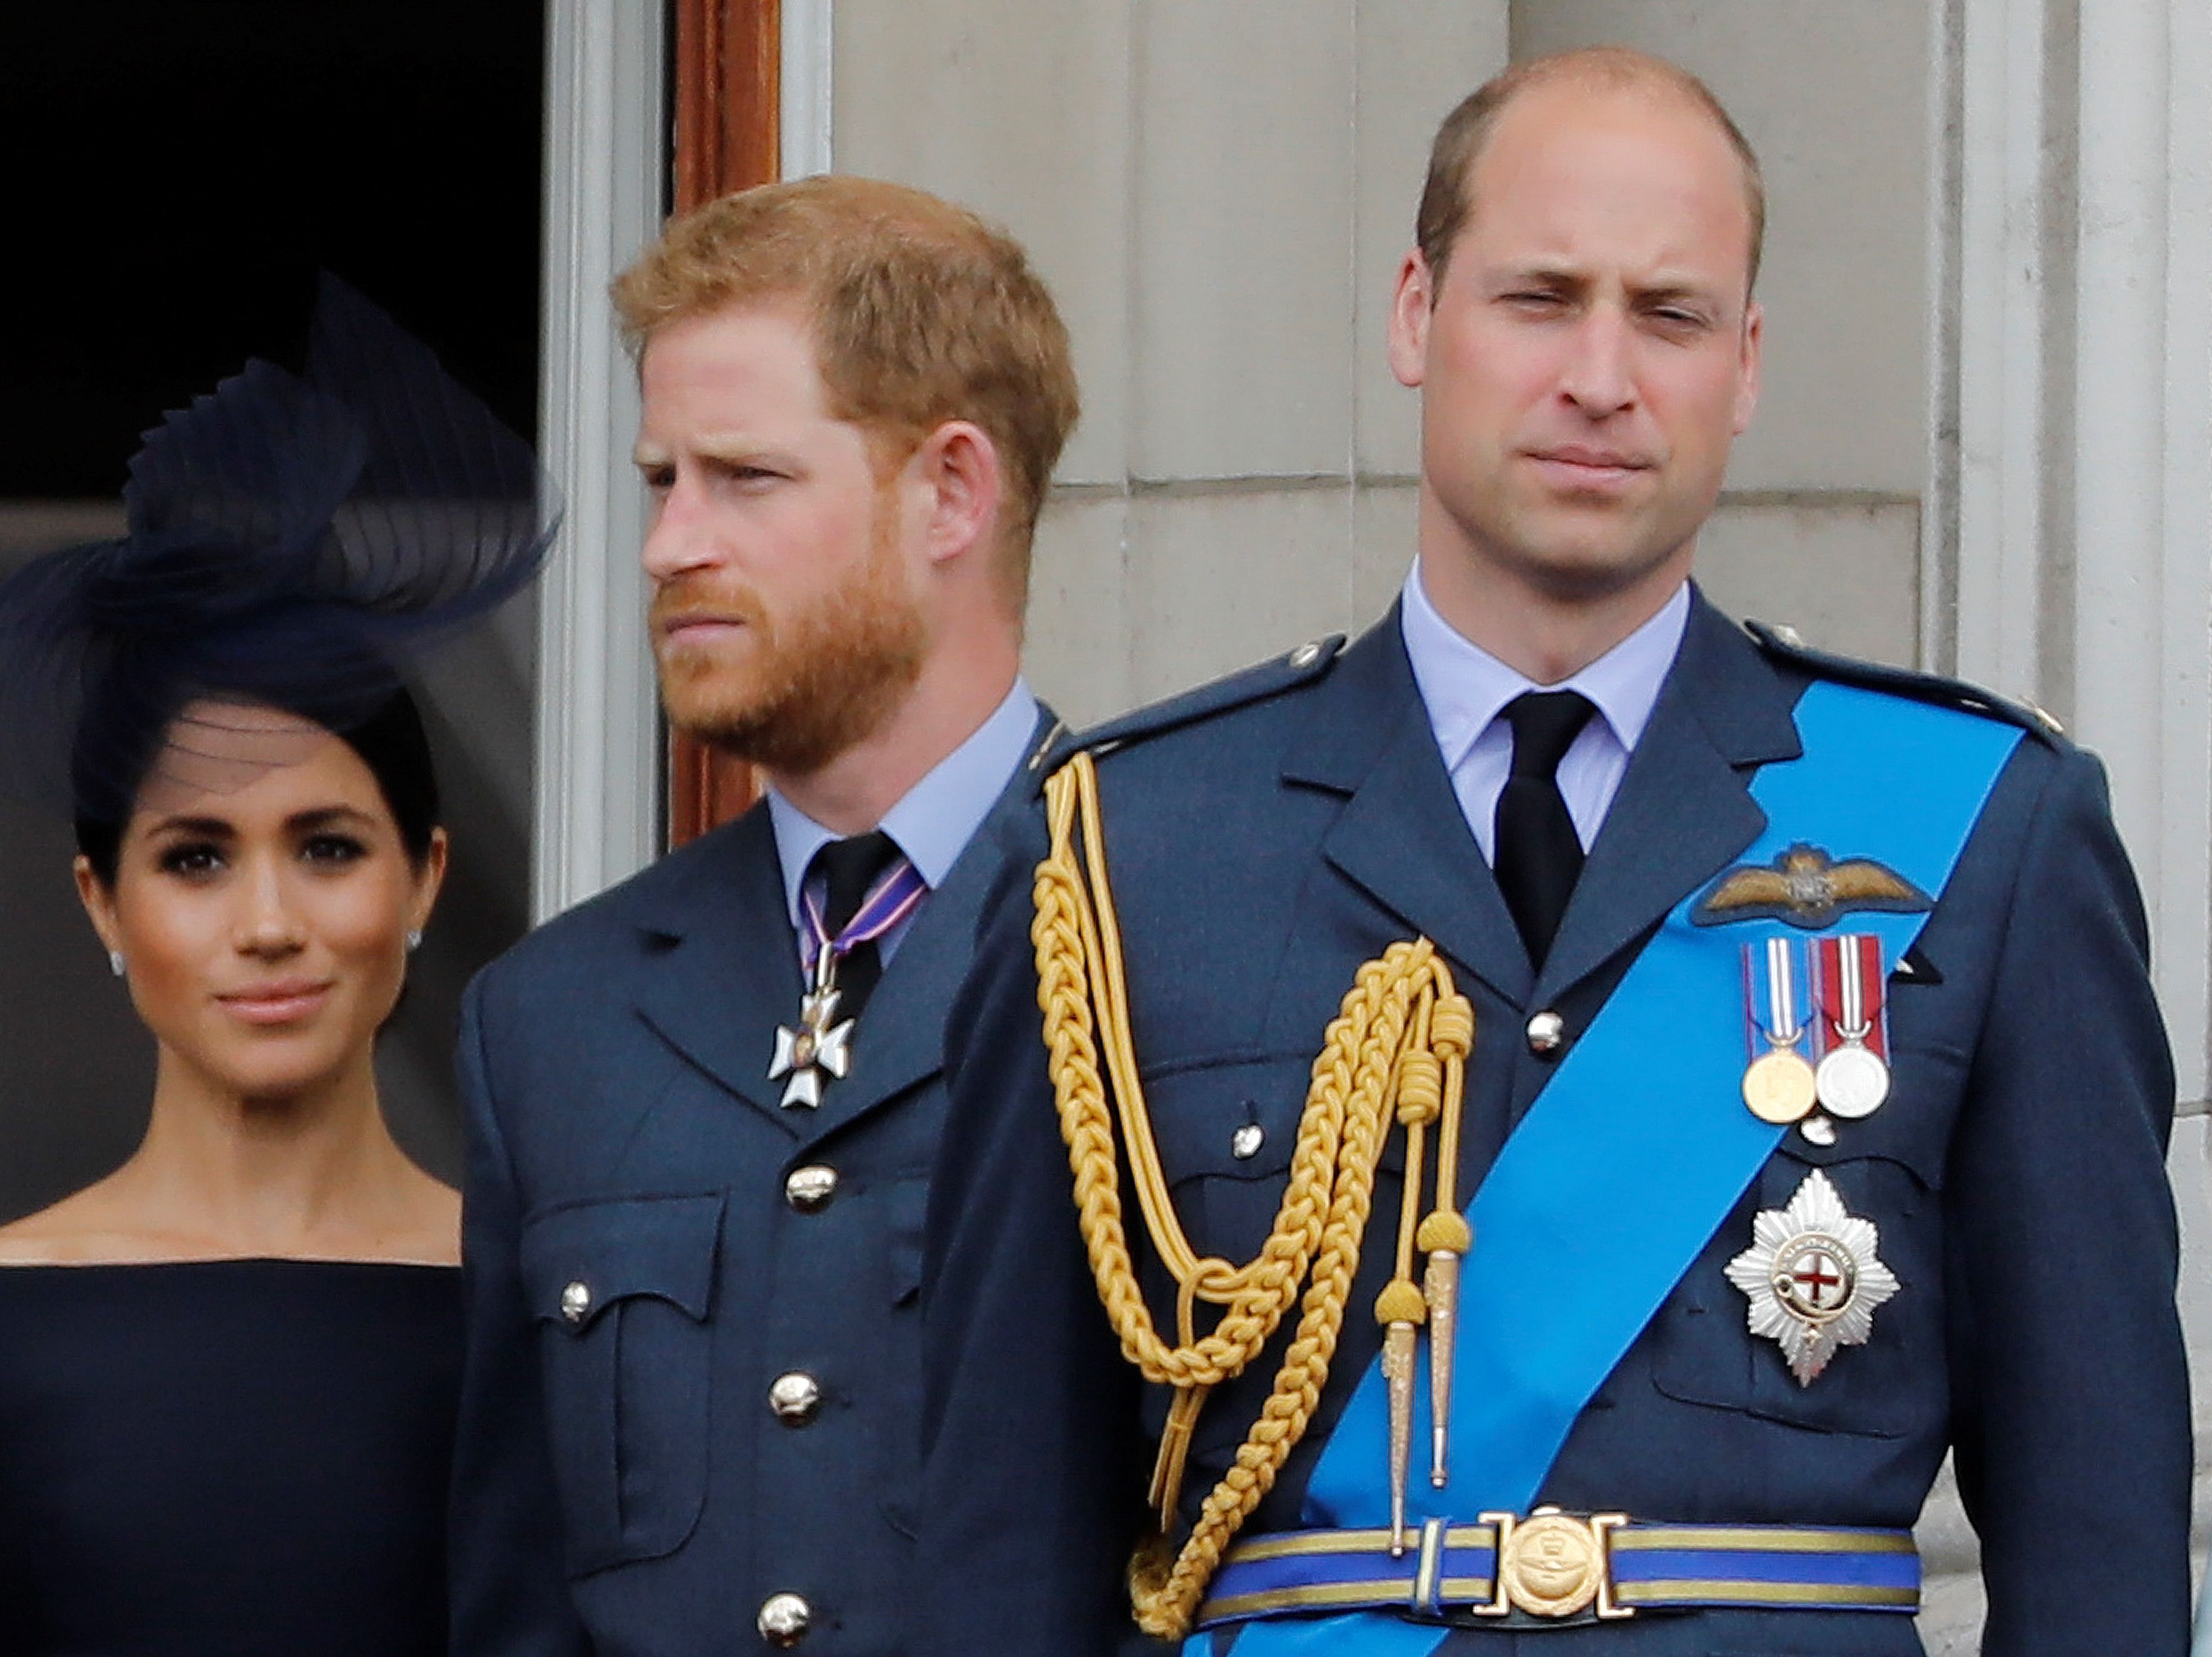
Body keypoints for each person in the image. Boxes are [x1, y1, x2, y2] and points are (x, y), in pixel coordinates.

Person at [916, 47, 2193, 1657]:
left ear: (1743, 365)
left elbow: (2098, 1542)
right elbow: (997, 1555)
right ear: (1412, 314)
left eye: (1666, 315)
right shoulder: (1125, 851)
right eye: (1537, 298)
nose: (1600, 375)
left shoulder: (1979, 828)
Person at [0, 278, 552, 1657]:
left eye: (326, 846)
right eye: (196, 857)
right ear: (103, 902)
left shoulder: (555, 1319)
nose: (267, 922)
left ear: (424, 878)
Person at [450, 175, 1078, 1656]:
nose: (668, 542)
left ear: (950, 491)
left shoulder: (1181, 935)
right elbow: (513, 1599)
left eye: (743, 478)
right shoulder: (554, 1016)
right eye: (660, 479)